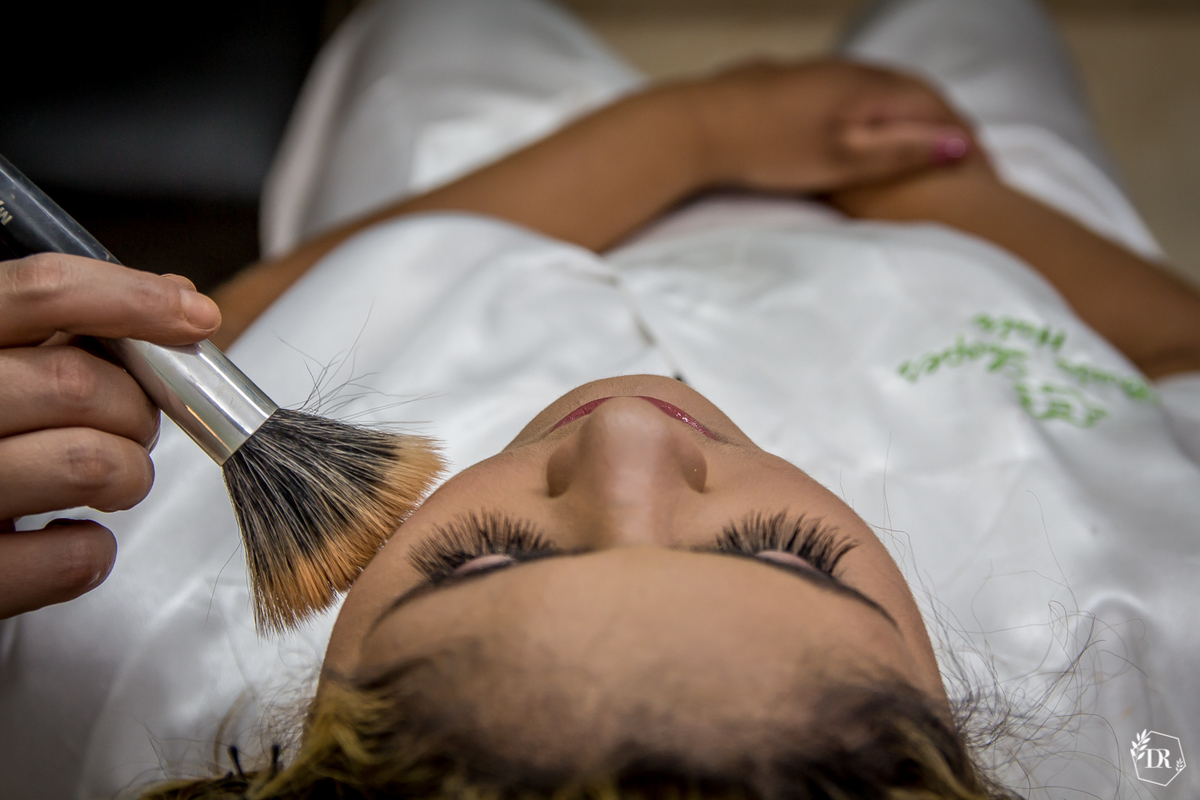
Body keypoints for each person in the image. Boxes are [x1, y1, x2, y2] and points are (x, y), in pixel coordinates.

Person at [1, 0, 1197, 798]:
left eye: (480, 557)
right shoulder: (1148, 678)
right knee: (977, 19)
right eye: (785, 555)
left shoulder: (111, 637)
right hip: (959, 237)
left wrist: (682, 134)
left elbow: (227, 321)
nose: (627, 427)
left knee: (436, 17)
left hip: (477, 203)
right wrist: (946, 201)